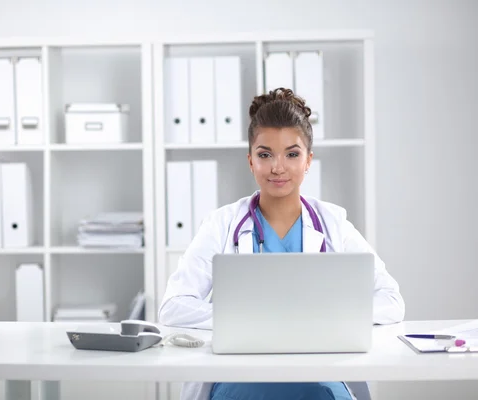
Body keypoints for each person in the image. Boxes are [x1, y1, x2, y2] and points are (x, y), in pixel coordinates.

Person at [158, 88, 405, 400]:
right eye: (265, 154)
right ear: (250, 161)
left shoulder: (333, 223)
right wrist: (248, 319)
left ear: (308, 161)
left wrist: (327, 316)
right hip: (239, 379)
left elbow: (392, 300)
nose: (277, 167)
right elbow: (173, 307)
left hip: (319, 380)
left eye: (292, 154)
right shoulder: (221, 224)